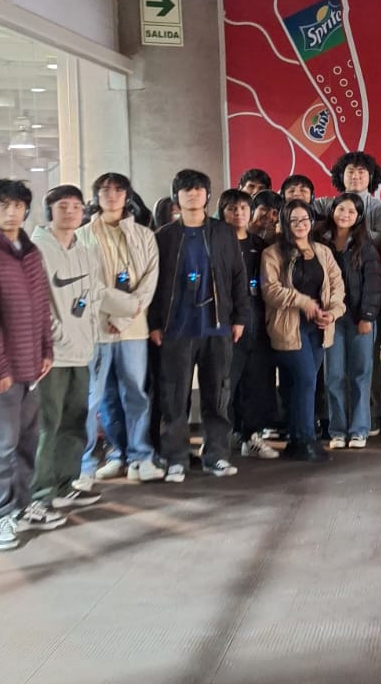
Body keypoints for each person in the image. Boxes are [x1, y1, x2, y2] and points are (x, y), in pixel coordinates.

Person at [0, 179, 61, 551]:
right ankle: (2, 517)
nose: (11, 212)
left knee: (27, 442)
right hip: (0, 373)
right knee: (1, 447)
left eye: (18, 205)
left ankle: (23, 506)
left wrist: (46, 349)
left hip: (30, 366)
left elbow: (41, 306)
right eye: (3, 205)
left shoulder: (30, 251)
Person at [151, 169, 247, 481]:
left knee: (217, 396)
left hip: (216, 327)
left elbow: (238, 277)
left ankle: (215, 455)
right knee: (174, 397)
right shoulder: (164, 236)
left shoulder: (223, 233)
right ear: (176, 197)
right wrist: (154, 323)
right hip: (176, 329)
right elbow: (154, 285)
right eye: (186, 190)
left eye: (198, 190)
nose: (193, 195)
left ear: (207, 196)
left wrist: (240, 318)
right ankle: (176, 458)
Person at [82, 171, 161, 484]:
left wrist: (123, 317)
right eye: (105, 190)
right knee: (101, 398)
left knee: (136, 394)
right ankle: (114, 455)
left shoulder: (144, 235)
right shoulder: (83, 235)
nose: (112, 195)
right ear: (96, 196)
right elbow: (88, 285)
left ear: (127, 196)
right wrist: (113, 314)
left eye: (118, 190)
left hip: (134, 330)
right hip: (97, 329)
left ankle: (142, 456)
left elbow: (149, 283)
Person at [32, 185, 101, 513]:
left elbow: (92, 297)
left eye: (76, 206)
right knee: (49, 424)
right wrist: (59, 337)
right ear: (50, 211)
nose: (71, 212)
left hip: (81, 352)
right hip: (52, 357)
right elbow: (37, 304)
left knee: (75, 421)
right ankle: (41, 493)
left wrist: (90, 334)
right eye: (63, 206)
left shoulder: (85, 250)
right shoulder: (37, 250)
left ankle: (66, 483)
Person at [261, 197, 345, 462]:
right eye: (293, 220)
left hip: (318, 329)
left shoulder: (323, 252)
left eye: (304, 219)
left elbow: (337, 286)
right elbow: (270, 290)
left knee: (302, 384)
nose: (300, 224)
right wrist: (302, 301)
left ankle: (297, 439)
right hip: (287, 328)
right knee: (306, 379)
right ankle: (304, 439)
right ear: (285, 223)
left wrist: (332, 313)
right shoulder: (272, 253)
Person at [217, 189, 280, 458]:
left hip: (257, 323)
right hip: (225, 323)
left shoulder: (259, 245)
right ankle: (224, 436)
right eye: (232, 208)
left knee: (255, 382)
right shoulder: (215, 242)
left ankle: (251, 436)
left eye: (243, 208)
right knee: (226, 382)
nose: (238, 213)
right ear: (222, 213)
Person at [318, 193, 381, 449]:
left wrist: (367, 316)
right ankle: (337, 430)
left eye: (351, 212)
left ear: (358, 217)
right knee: (333, 376)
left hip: (359, 319)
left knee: (360, 375)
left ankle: (359, 430)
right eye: (341, 209)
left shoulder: (365, 246)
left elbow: (374, 284)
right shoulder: (319, 242)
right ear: (332, 211)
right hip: (331, 319)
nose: (345, 215)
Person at [328, 151, 381, 247]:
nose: (355, 176)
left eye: (361, 172)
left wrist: (345, 231)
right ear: (341, 176)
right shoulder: (327, 204)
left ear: (371, 177)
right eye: (350, 172)